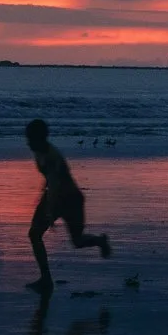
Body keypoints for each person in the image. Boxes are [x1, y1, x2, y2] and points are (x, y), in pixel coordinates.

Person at [24, 118, 111, 291]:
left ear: (40, 138)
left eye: (30, 139)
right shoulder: (39, 151)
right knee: (34, 234)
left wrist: (49, 211)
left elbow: (55, 184)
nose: (28, 143)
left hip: (70, 199)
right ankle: (45, 278)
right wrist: (43, 194)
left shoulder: (51, 156)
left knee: (77, 241)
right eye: (27, 138)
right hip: (58, 196)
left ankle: (100, 241)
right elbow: (49, 178)